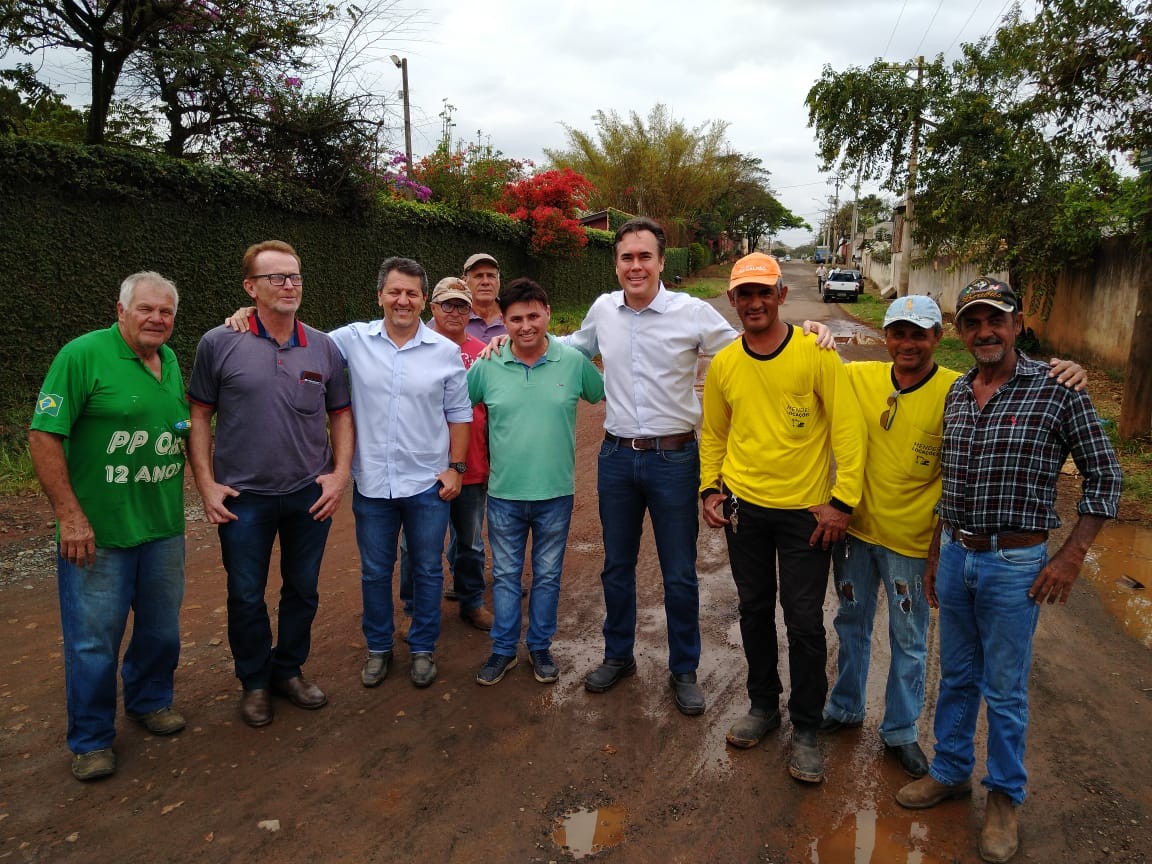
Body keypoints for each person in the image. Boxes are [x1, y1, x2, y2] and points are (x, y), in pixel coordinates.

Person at [895, 277, 1121, 864]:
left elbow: (1106, 478)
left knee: (1005, 688)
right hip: (957, 553)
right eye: (972, 322)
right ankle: (949, 771)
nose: (984, 332)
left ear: (1018, 324)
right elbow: (953, 480)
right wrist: (936, 551)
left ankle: (1004, 797)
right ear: (962, 332)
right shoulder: (958, 391)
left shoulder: (1057, 388)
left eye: (995, 320)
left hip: (1015, 562)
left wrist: (1070, 557)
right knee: (956, 677)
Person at [820, 296, 1087, 779]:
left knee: (910, 640)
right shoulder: (857, 377)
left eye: (918, 333)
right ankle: (844, 708)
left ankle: (900, 731)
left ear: (937, 338)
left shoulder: (954, 389)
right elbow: (814, 362)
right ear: (885, 336)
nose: (907, 343)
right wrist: (814, 330)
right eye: (898, 333)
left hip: (913, 541)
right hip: (857, 534)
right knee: (851, 623)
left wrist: (1068, 369)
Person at [700, 252, 866, 784]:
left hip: (806, 515)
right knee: (752, 611)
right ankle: (763, 706)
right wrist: (710, 488)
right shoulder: (725, 363)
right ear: (732, 301)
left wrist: (842, 502)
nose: (754, 302)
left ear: (781, 296)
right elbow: (715, 434)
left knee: (803, 622)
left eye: (763, 292)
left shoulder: (817, 354)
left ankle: (808, 728)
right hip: (746, 509)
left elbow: (847, 430)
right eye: (744, 295)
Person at [30, 272, 189, 781]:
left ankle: (149, 701)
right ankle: (92, 738)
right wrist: (70, 517)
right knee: (93, 640)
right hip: (97, 534)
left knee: (161, 631)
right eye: (146, 309)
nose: (156, 319)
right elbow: (43, 436)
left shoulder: (167, 361)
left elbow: (181, 429)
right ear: (119, 310)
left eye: (165, 312)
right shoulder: (81, 356)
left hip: (162, 527)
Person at [189, 241, 353, 729]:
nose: (288, 286)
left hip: (308, 492)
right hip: (244, 498)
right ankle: (255, 682)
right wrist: (206, 484)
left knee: (302, 590)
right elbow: (199, 415)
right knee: (245, 593)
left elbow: (341, 416)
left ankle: (289, 671)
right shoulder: (219, 342)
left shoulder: (323, 346)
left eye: (295, 277)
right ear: (250, 288)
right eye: (276, 278)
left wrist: (340, 475)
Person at [327, 257, 472, 690]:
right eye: (395, 291)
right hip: (372, 483)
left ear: (422, 300)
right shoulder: (353, 340)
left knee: (428, 569)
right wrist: (247, 315)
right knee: (375, 571)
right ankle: (378, 649)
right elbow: (298, 341)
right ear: (380, 296)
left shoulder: (445, 352)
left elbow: (459, 414)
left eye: (411, 293)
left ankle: (424, 648)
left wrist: (456, 469)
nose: (402, 300)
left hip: (428, 484)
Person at [467, 278, 604, 686]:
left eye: (533, 316)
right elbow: (459, 409)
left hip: (555, 494)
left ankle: (540, 646)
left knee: (547, 576)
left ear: (547, 313)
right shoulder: (487, 366)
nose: (525, 326)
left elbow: (602, 395)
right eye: (515, 319)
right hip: (505, 493)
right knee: (507, 577)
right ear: (503, 322)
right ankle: (504, 650)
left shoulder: (573, 362)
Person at [397, 278, 495, 637]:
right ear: (432, 307)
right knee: (415, 544)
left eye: (462, 306)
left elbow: (495, 409)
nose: (455, 312)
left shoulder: (485, 350)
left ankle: (471, 601)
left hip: (470, 466)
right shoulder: (411, 345)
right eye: (447, 305)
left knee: (469, 540)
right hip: (421, 467)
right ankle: (412, 607)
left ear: (472, 311)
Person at [462, 252, 506, 342]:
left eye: (491, 276)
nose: (485, 282)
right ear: (464, 281)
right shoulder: (450, 317)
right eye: (478, 276)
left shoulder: (517, 317)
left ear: (498, 281)